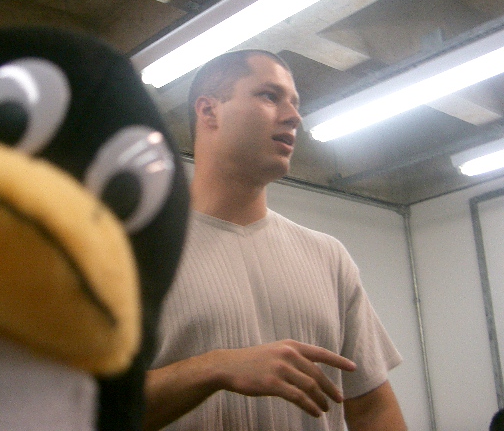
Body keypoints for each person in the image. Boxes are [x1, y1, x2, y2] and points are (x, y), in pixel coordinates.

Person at [144, 49, 407, 430]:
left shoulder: (328, 257)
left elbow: (372, 409)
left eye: (295, 103)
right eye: (270, 96)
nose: (294, 116)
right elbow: (84, 410)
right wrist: (213, 368)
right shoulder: (133, 252)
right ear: (209, 111)